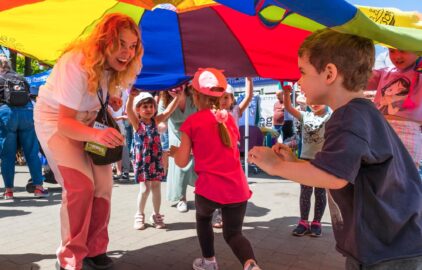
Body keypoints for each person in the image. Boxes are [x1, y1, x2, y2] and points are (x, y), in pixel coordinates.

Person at [248, 29, 422, 269]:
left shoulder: (348, 116)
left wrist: (276, 165)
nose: (299, 81)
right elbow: (346, 170)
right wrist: (295, 163)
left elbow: (334, 177)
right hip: (392, 242)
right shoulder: (362, 113)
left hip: (386, 248)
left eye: (303, 72)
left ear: (329, 73)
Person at [34, 13, 143, 270]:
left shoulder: (114, 67)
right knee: (81, 186)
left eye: (132, 45)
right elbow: (64, 121)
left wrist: (110, 100)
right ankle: (70, 257)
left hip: (88, 123)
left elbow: (94, 98)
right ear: (105, 40)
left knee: (104, 185)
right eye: (121, 43)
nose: (127, 52)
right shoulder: (76, 62)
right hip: (56, 122)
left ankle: (95, 249)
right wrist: (97, 134)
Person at [170, 68, 261, 270]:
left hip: (209, 190)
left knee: (203, 219)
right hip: (237, 190)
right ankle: (251, 264)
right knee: (234, 234)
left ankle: (209, 262)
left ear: (195, 96)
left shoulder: (191, 122)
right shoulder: (229, 119)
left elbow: (182, 162)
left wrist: (176, 152)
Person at [126, 90, 180, 230]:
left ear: (155, 108)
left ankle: (156, 215)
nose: (148, 109)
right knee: (144, 189)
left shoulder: (156, 121)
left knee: (156, 187)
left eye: (151, 106)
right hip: (143, 161)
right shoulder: (136, 123)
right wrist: (131, 98)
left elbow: (168, 110)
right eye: (144, 107)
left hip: (156, 160)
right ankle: (139, 214)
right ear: (138, 109)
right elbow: (128, 110)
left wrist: (178, 97)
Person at [282, 85, 331, 237]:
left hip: (322, 161)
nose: (315, 103)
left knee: (320, 192)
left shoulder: (330, 116)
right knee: (305, 192)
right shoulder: (305, 115)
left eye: (319, 100)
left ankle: (317, 222)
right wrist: (286, 93)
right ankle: (303, 222)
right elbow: (289, 107)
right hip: (305, 159)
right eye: (312, 100)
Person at [0, 55, 48, 199]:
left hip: (7, 115)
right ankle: (39, 188)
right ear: (9, 65)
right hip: (27, 114)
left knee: (7, 155)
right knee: (31, 152)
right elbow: (29, 96)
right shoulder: (21, 78)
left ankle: (9, 191)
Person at [368, 49, 422, 167]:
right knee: (378, 170)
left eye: (403, 51)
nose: (397, 56)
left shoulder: (420, 73)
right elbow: (360, 79)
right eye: (392, 51)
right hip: (380, 127)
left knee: (406, 172)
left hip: (408, 130)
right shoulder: (385, 73)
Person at [212, 77, 253, 228]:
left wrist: (249, 79)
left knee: (230, 184)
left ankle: (229, 212)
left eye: (226, 97)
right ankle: (219, 213)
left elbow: (248, 96)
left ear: (232, 99)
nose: (223, 100)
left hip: (232, 156)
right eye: (220, 97)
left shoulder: (236, 111)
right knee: (218, 185)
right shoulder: (213, 112)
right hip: (218, 155)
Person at [159, 84, 197, 213]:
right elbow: (161, 119)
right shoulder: (164, 100)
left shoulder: (194, 97)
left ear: (185, 85)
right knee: (179, 169)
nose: (174, 88)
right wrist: (161, 126)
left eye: (178, 85)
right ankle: (182, 198)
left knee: (197, 167)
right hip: (176, 136)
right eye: (171, 86)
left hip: (195, 135)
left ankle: (201, 195)